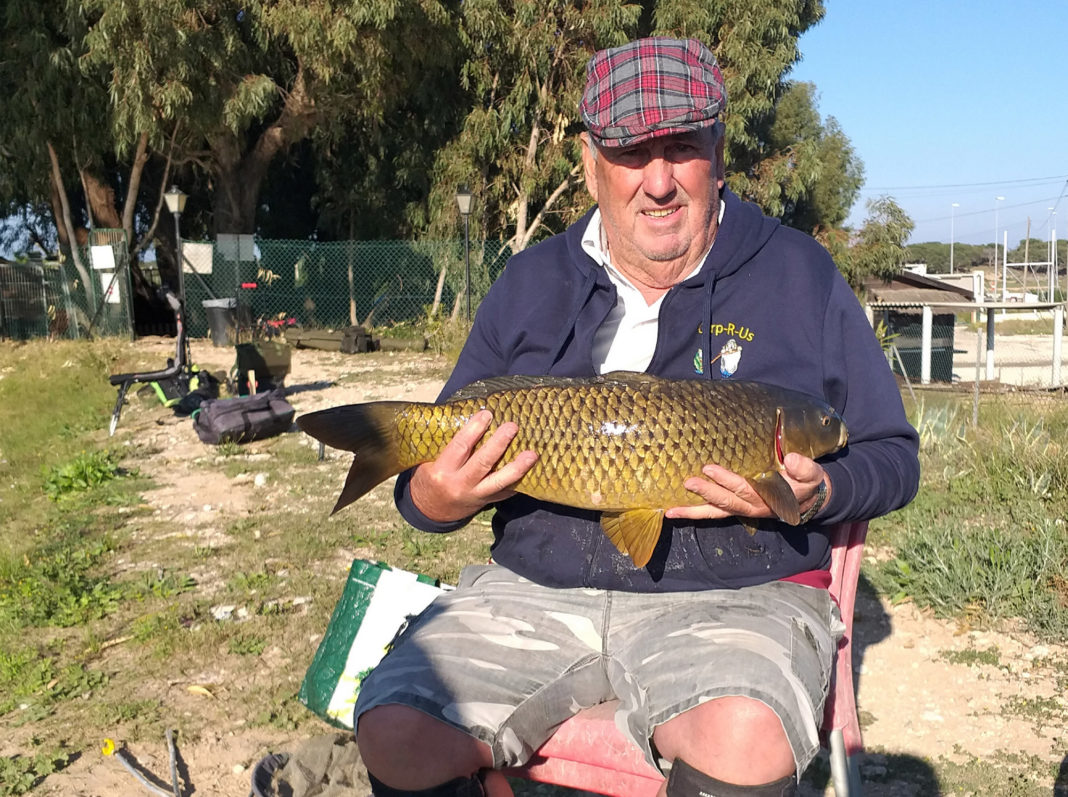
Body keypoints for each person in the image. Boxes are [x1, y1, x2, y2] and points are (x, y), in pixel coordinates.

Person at [354, 37, 920, 797]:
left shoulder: (798, 274)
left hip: (737, 596)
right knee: (395, 731)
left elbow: (891, 454)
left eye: (681, 148)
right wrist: (438, 497)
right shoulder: (527, 282)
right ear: (591, 163)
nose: (658, 181)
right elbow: (422, 495)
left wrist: (821, 492)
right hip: (532, 585)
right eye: (629, 153)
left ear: (718, 154)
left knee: (744, 735)